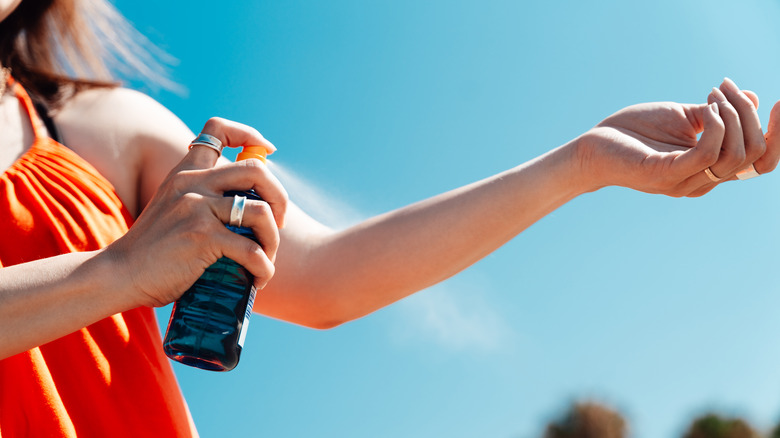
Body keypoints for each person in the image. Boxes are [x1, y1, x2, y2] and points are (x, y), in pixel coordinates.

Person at [0, 0, 777, 436]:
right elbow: (121, 274)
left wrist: (582, 162)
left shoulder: (94, 126)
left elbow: (328, 279)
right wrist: (116, 274)